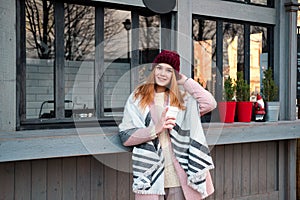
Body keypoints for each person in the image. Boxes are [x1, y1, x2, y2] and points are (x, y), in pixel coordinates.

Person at [118, 50, 217, 200]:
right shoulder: (137, 97)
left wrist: (184, 80)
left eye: (169, 70)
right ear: (153, 69)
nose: (163, 73)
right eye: (159, 68)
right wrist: (155, 130)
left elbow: (209, 103)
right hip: (151, 174)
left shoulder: (182, 99)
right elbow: (126, 135)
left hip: (178, 174)